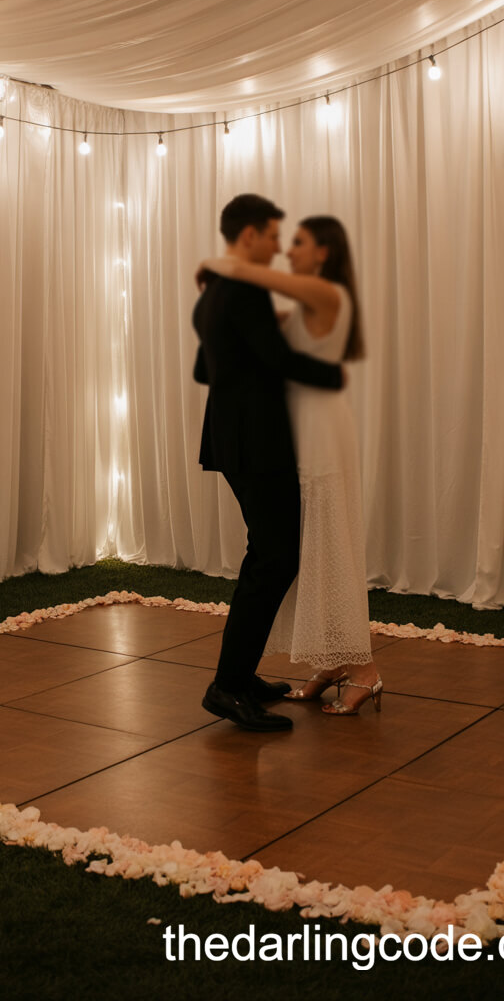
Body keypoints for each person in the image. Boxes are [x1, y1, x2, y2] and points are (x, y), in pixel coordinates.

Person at [198, 215, 381, 717]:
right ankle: (334, 662)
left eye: (297, 242)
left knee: (328, 546)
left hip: (320, 435)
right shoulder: (307, 303)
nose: (287, 251)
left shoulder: (326, 294)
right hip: (299, 435)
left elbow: (265, 288)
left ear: (323, 252)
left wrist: (224, 266)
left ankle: (361, 668)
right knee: (310, 551)